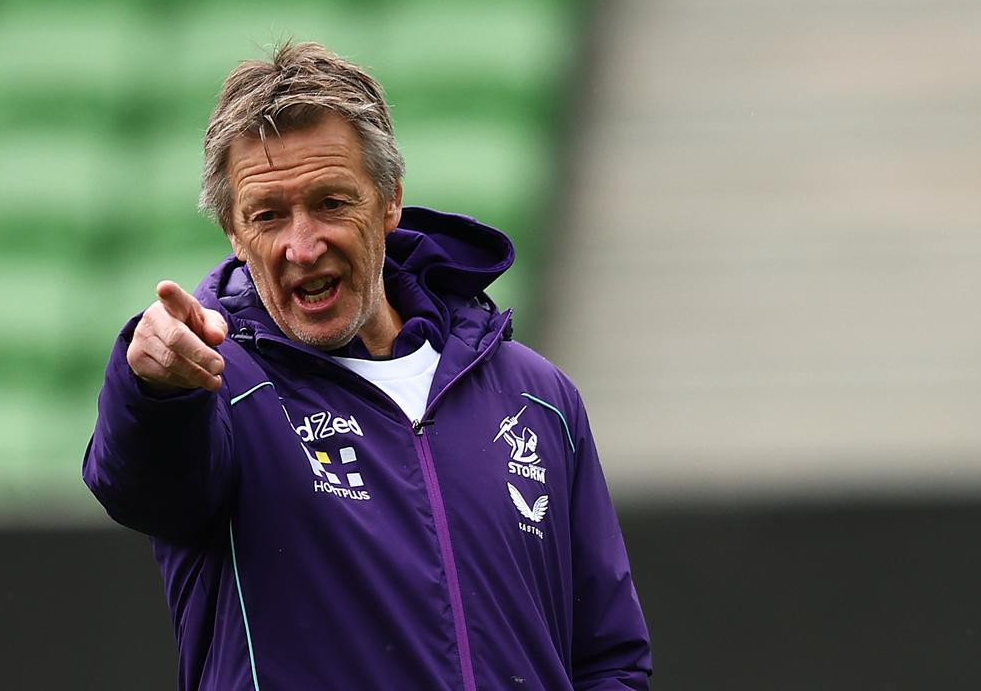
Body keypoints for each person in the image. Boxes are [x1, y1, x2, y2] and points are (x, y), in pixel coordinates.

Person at [84, 41, 652, 690]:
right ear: (235, 235)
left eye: (331, 203)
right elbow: (142, 487)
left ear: (389, 202)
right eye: (269, 215)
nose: (303, 245)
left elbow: (609, 658)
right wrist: (152, 391)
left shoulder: (538, 398)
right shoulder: (214, 386)